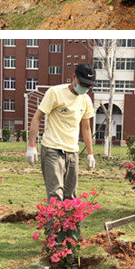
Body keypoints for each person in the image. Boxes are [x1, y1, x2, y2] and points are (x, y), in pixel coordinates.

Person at [26, 64, 96, 201]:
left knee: (70, 196)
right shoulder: (55, 92)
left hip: (72, 151)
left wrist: (90, 153)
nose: (85, 88)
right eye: (82, 83)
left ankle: (69, 222)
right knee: (55, 195)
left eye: (89, 86)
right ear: (74, 77)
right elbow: (37, 117)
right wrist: (31, 146)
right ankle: (54, 223)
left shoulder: (86, 100)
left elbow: (86, 128)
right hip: (52, 149)